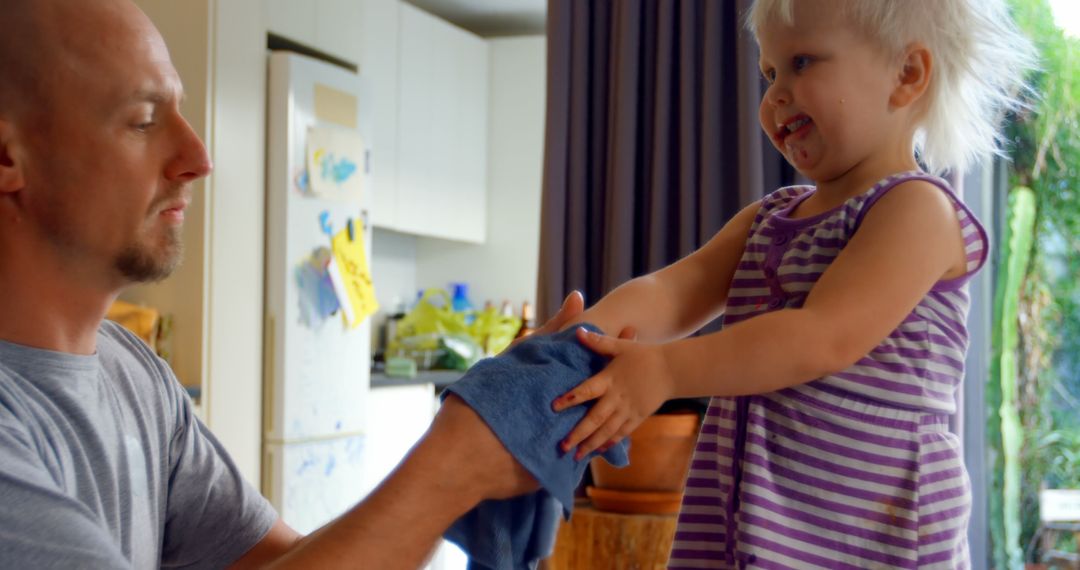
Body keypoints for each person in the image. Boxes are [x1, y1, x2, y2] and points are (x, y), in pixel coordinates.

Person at [0, 0, 590, 568]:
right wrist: (447, 469)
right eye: (144, 120)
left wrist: (463, 443)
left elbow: (286, 562)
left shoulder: (134, 373)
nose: (199, 156)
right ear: (8, 158)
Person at [546, 0, 1036, 567]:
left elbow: (822, 337)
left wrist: (668, 369)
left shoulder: (918, 209)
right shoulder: (770, 217)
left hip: (867, 540)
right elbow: (672, 291)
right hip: (745, 528)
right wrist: (573, 341)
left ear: (906, 75)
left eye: (802, 63)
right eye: (770, 72)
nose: (775, 95)